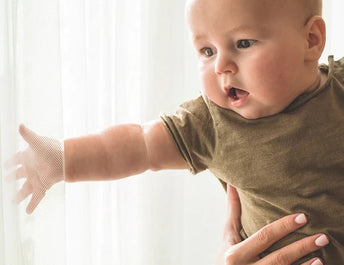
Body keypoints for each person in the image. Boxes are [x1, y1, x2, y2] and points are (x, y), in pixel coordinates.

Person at [4, 0, 343, 263]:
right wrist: (63, 159)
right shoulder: (211, 124)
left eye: (243, 43)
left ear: (311, 40)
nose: (221, 65)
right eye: (206, 51)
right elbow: (140, 145)